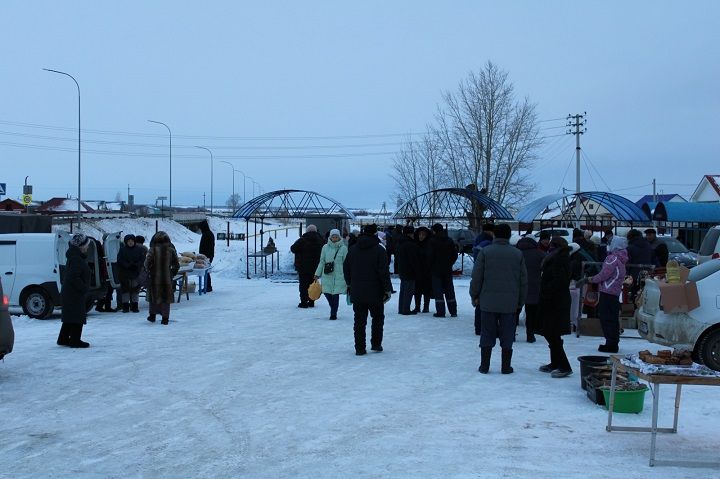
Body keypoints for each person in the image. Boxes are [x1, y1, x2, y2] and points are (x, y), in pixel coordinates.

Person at [470, 224, 527, 374]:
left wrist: (474, 295)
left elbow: (476, 277)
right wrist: (520, 301)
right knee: (507, 334)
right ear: (509, 236)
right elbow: (523, 281)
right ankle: (506, 366)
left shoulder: (485, 252)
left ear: (494, 235)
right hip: (510, 303)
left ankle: (484, 366)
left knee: (487, 333)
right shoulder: (517, 254)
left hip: (487, 302)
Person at [343, 224, 393, 355]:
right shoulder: (379, 250)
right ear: (376, 234)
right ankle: (376, 344)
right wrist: (387, 289)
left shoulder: (353, 249)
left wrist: (349, 284)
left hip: (357, 290)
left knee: (359, 321)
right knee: (377, 318)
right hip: (376, 291)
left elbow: (346, 269)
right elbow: (384, 272)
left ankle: (360, 348)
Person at [580, 236, 629, 353]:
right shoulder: (622, 258)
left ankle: (610, 344)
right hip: (615, 292)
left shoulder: (612, 258)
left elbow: (603, 275)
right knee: (613, 319)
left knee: (606, 319)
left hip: (607, 291)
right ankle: (613, 342)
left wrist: (589, 279)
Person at [536, 237, 574, 378]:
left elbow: (559, 281)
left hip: (555, 301)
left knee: (551, 332)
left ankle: (564, 366)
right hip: (554, 300)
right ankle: (555, 363)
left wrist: (546, 290)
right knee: (551, 333)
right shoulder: (559, 257)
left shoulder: (559, 259)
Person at [57, 233, 92, 348]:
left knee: (70, 315)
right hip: (74, 292)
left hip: (70, 292)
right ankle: (75, 340)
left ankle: (63, 338)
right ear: (81, 246)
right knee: (77, 315)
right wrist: (83, 288)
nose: (87, 247)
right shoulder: (77, 258)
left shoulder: (74, 256)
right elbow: (74, 276)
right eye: (86, 245)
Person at [145, 231, 180, 325]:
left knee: (153, 297)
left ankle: (152, 316)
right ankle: (165, 318)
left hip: (154, 278)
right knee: (166, 299)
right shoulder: (171, 250)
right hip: (166, 278)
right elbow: (176, 265)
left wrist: (149, 271)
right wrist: (171, 274)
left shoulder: (152, 250)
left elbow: (146, 264)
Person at [516, 236, 546, 343]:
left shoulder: (516, 253)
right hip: (534, 286)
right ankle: (530, 335)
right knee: (531, 314)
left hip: (517, 286)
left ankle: (511, 334)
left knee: (514, 312)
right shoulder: (540, 254)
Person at [313, 229, 348, 320]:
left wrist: (348, 275)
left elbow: (346, 263)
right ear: (330, 237)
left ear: (339, 237)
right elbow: (322, 261)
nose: (335, 238)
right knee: (327, 293)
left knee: (335, 295)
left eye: (336, 236)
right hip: (327, 274)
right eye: (333, 236)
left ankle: (333, 314)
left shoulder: (343, 248)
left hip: (339, 275)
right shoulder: (325, 247)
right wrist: (317, 274)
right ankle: (333, 308)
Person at [428, 223, 458, 318]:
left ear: (434, 231)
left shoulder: (432, 241)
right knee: (449, 290)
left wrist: (430, 266)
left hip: (436, 270)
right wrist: (450, 263)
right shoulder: (449, 240)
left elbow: (429, 256)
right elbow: (454, 255)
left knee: (438, 291)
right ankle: (453, 311)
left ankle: (440, 312)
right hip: (447, 269)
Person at [291, 225, 324, 308]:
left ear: (307, 231)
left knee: (303, 285)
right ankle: (311, 301)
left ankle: (304, 302)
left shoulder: (302, 240)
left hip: (303, 267)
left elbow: (293, 249)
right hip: (316, 267)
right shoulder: (321, 240)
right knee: (312, 284)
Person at [395, 225, 422, 315]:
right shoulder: (410, 244)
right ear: (410, 233)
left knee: (403, 290)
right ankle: (406, 309)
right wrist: (418, 271)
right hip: (410, 271)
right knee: (409, 291)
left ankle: (401, 308)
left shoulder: (399, 242)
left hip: (402, 269)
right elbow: (414, 260)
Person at [116, 234, 145, 313]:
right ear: (126, 242)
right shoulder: (122, 250)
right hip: (125, 273)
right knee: (125, 290)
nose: (130, 243)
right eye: (129, 241)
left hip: (136, 272)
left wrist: (136, 265)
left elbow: (142, 259)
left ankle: (134, 306)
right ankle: (125, 306)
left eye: (132, 241)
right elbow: (119, 260)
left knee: (135, 290)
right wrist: (127, 265)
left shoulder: (139, 249)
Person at [413, 226, 433, 313]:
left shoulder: (429, 244)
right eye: (420, 234)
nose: (421, 236)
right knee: (417, 290)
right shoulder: (415, 244)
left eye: (423, 235)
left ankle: (426, 307)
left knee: (426, 289)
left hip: (427, 271)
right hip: (417, 270)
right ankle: (417, 306)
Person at [198, 220, 215, 292]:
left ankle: (208, 286)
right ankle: (207, 286)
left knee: (206, 271)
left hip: (206, 256)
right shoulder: (209, 233)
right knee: (206, 271)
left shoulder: (206, 234)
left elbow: (205, 246)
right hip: (208, 255)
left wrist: (203, 256)